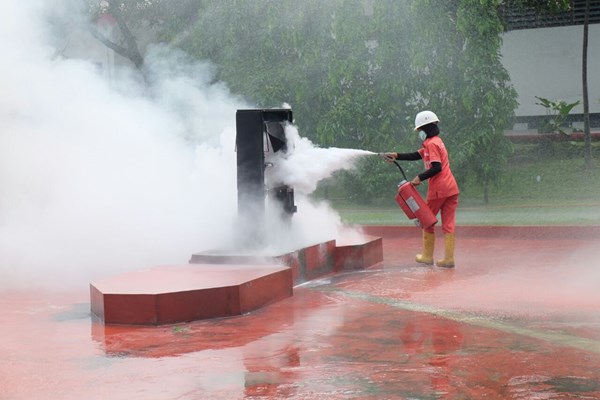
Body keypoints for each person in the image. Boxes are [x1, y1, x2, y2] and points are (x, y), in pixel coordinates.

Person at [384, 111, 459, 268]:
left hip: (439, 189)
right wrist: (396, 155)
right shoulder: (436, 142)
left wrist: (419, 177)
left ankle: (427, 256)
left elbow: (436, 167)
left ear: (426, 128)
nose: (419, 133)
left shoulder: (431, 144)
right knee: (448, 223)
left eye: (420, 130)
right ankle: (449, 259)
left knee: (427, 221)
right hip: (451, 188)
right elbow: (415, 155)